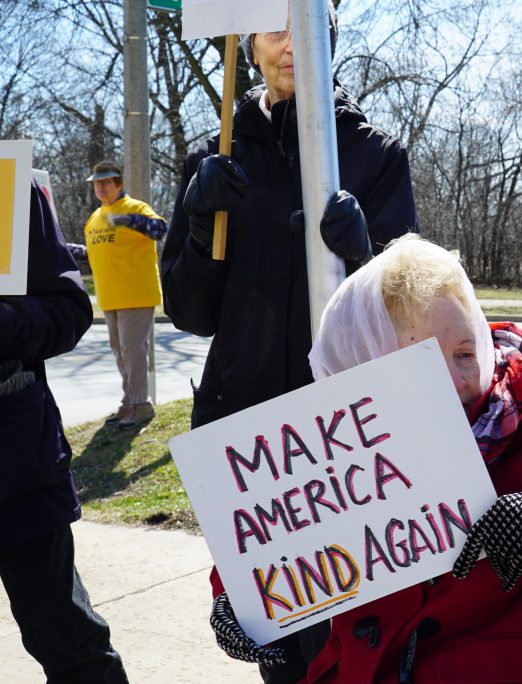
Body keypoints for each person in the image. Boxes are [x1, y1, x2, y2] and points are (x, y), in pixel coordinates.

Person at [203, 234, 522, 682]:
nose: (458, 382)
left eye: (465, 353)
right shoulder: (328, 452)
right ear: (361, 369)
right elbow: (275, 536)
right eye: (417, 361)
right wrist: (235, 604)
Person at [160, 3, 418, 681]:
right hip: (253, 446)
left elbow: (413, 314)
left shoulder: (373, 154)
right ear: (248, 40)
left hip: (348, 441)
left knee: (363, 640)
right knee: (283, 647)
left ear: (327, 34)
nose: (290, 44)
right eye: (273, 28)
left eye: (304, 27)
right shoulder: (214, 155)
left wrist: (368, 258)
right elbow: (191, 313)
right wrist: (196, 219)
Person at [0, 180, 129, 682]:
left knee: (70, 644)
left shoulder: (10, 185)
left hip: (14, 469)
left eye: (106, 182)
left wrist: (6, 322)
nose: (100, 189)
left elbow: (68, 308)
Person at [84, 160, 167, 430]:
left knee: (132, 352)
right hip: (109, 297)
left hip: (136, 294)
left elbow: (160, 229)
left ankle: (141, 405)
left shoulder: (134, 208)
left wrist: (126, 220)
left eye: (106, 182)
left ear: (119, 184)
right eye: (97, 183)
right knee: (121, 353)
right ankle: (129, 401)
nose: (101, 187)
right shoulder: (95, 218)